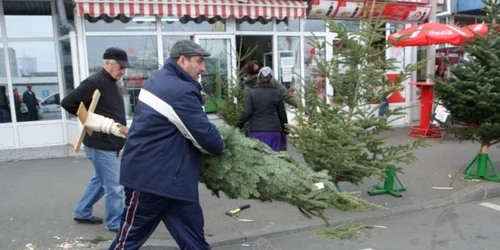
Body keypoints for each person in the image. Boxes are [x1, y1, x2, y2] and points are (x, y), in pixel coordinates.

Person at [108, 40, 224, 250]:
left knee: (194, 240)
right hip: (149, 181)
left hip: (172, 181)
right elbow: (208, 139)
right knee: (127, 242)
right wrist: (223, 141)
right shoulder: (178, 90)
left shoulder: (161, 80)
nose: (203, 68)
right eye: (199, 62)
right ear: (182, 60)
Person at [60, 47, 132, 232]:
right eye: (120, 67)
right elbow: (68, 102)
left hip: (110, 143)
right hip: (101, 144)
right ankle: (115, 223)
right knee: (114, 187)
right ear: (107, 63)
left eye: (124, 67)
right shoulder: (95, 81)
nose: (122, 71)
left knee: (100, 181)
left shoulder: (111, 81)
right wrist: (91, 120)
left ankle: (82, 211)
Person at [237, 67, 288, 152]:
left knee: (259, 159)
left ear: (258, 78)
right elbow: (282, 114)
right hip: (274, 131)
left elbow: (247, 112)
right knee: (275, 158)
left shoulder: (252, 93)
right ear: (271, 78)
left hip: (257, 131)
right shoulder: (277, 93)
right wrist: (285, 129)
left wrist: (239, 125)